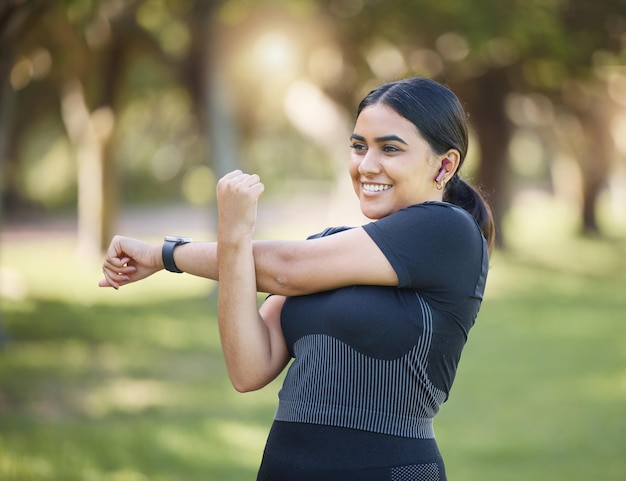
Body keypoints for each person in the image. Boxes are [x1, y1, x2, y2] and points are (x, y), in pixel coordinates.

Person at [100, 77, 495, 481]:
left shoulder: (450, 232)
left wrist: (164, 254)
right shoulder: (329, 246)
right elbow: (248, 368)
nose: (366, 165)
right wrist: (233, 239)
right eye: (359, 146)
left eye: (390, 148)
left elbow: (286, 268)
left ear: (445, 165)